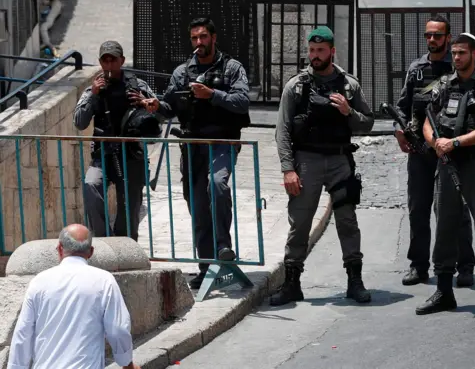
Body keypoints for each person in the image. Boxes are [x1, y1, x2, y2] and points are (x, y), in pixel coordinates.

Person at [270, 26, 375, 306]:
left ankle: (355, 281)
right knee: (300, 222)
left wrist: (347, 111)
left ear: (332, 51)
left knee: (347, 221)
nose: (315, 56)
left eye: (320, 50)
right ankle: (292, 283)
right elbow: (282, 131)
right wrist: (288, 169)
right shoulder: (297, 86)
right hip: (307, 161)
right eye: (312, 50)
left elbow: (368, 122)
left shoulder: (348, 85)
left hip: (340, 161)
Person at [156, 17, 251, 289]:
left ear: (213, 38)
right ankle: (207, 266)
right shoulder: (183, 72)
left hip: (222, 142)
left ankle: (224, 245)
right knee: (197, 206)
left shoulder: (232, 68)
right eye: (194, 38)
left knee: (217, 184)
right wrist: (155, 107)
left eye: (203, 37)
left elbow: (242, 101)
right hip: (192, 147)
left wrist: (212, 95)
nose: (199, 43)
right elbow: (170, 106)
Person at [418, 33, 475, 317]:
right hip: (446, 164)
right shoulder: (443, 84)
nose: (456, 58)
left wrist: (456, 142)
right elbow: (427, 122)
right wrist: (436, 143)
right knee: (444, 226)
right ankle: (444, 291)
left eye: (462, 53)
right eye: (454, 53)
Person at [394, 15, 475, 287]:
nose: (432, 40)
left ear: (448, 38)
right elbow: (403, 105)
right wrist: (398, 130)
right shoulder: (416, 69)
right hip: (420, 151)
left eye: (437, 35)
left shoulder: (458, 68)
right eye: (428, 35)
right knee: (418, 209)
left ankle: (464, 267)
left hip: (450, 150)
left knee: (456, 211)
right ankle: (418, 266)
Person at [7, 224, 139, 369]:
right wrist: (127, 363)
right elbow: (117, 329)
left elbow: (23, 334)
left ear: (59, 249)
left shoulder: (39, 282)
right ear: (91, 252)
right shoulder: (104, 280)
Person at [74, 40, 167, 242]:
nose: (109, 65)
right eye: (105, 60)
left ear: (122, 61)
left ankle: (126, 247)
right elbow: (80, 123)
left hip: (132, 155)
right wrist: (94, 96)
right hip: (103, 154)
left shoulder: (137, 86)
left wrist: (145, 103)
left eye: (113, 60)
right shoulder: (93, 90)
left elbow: (160, 115)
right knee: (91, 185)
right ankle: (104, 240)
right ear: (100, 62)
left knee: (130, 208)